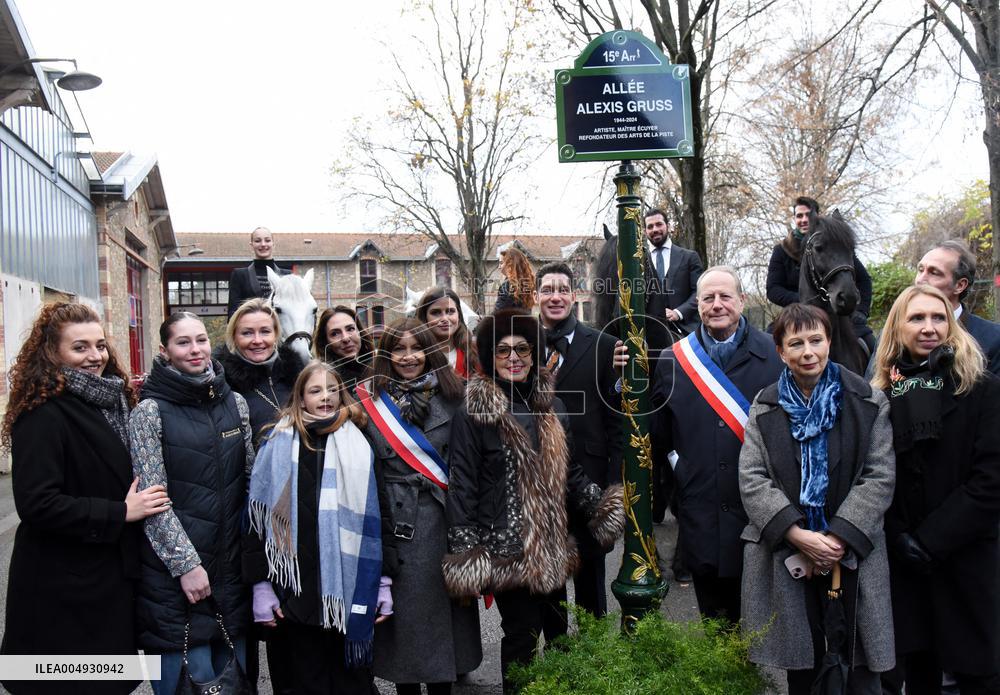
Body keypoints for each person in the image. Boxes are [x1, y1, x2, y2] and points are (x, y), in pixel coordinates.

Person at [442, 308, 625, 693]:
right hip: (506, 549)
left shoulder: (553, 407)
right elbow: (462, 486)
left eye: (522, 349)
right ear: (490, 356)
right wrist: (466, 554)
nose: (514, 358)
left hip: (552, 544)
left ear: (534, 354)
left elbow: (570, 472)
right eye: (503, 350)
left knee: (559, 630)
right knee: (522, 635)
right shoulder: (473, 413)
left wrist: (602, 507)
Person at [0, 303, 169, 695]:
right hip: (61, 586)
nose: (95, 356)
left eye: (100, 345)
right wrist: (120, 512)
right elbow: (37, 503)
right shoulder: (43, 412)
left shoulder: (114, 401)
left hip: (107, 578)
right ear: (52, 353)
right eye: (80, 347)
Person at [739, 303, 896, 694]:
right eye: (796, 343)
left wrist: (837, 538)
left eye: (816, 340)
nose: (808, 352)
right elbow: (752, 478)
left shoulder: (867, 400)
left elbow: (879, 475)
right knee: (804, 672)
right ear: (781, 352)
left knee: (861, 672)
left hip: (853, 551)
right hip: (790, 554)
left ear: (829, 342)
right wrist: (798, 535)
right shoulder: (765, 405)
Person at [628, 266, 782, 623]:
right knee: (714, 623)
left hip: (758, 510)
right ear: (697, 305)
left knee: (761, 626)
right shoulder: (673, 359)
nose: (717, 305)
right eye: (708, 298)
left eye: (725, 296)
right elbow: (657, 432)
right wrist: (624, 380)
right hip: (700, 509)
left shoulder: (774, 354)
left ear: (742, 300)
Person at [870, 285, 1000, 694]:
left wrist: (930, 540)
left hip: (966, 556)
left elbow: (991, 480)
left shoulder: (983, 390)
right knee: (918, 676)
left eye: (938, 317)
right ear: (897, 328)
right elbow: (875, 476)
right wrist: (898, 537)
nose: (929, 327)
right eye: (917, 318)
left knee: (979, 676)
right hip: (906, 563)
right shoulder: (881, 398)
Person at [129, 313, 254, 695]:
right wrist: (186, 566)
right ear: (164, 351)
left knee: (234, 683)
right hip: (176, 580)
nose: (195, 349)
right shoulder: (149, 412)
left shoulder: (235, 403)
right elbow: (152, 500)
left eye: (200, 339)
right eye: (183, 342)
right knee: (186, 683)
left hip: (230, 572)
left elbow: (250, 481)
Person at [246, 361, 388, 695]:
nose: (325, 397)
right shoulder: (275, 442)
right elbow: (255, 523)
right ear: (300, 397)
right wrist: (260, 585)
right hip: (295, 591)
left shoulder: (360, 443)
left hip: (349, 585)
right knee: (307, 682)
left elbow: (380, 515)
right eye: (315, 390)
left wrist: (383, 581)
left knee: (353, 684)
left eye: (332, 389)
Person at [356, 318, 481, 694]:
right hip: (398, 524)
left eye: (417, 348)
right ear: (386, 354)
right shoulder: (368, 402)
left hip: (446, 521)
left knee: (443, 631)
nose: (409, 357)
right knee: (406, 630)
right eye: (399, 349)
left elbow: (471, 464)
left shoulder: (456, 396)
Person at [215, 297, 304, 695]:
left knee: (290, 622)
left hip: (295, 509)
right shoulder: (223, 383)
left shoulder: (294, 377)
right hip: (244, 511)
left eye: (265, 331)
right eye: (247, 333)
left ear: (277, 334)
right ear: (233, 337)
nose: (257, 340)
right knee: (247, 623)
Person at [535, 262, 622, 618]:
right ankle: (558, 649)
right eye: (547, 290)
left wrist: (613, 488)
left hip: (589, 481)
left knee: (591, 586)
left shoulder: (605, 346)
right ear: (536, 296)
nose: (555, 297)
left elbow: (617, 422)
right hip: (538, 483)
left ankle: (595, 648)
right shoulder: (521, 347)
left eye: (562, 290)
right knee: (548, 584)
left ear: (574, 295)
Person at [765, 196, 874, 352]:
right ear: (794, 219)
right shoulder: (781, 250)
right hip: (796, 314)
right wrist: (804, 302)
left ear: (817, 216)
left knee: (871, 345)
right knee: (767, 346)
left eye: (808, 215)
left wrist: (862, 311)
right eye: (799, 216)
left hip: (838, 314)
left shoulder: (836, 244)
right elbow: (773, 289)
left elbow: (864, 280)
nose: (804, 220)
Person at [915, 239, 1000, 375]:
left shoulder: (993, 338)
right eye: (920, 270)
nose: (920, 280)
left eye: (934, 272)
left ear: (960, 285)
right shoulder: (893, 333)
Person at [642, 207, 703, 354]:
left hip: (686, 332)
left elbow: (699, 292)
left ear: (668, 226)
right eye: (650, 226)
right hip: (649, 337)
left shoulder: (689, 257)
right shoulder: (640, 262)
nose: (655, 229)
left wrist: (677, 313)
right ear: (645, 231)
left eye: (659, 224)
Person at [227, 226, 290, 318]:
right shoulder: (239, 275)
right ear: (251, 245)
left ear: (273, 244)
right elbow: (233, 313)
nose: (263, 244)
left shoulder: (287, 275)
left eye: (267, 240)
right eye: (257, 241)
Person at [416, 287, 475, 379]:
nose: (444, 319)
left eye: (450, 311)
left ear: (459, 315)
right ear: (424, 317)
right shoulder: (414, 355)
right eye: (436, 312)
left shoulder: (475, 351)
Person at [314, 305, 374, 392]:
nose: (345, 338)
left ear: (360, 332)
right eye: (335, 334)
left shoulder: (382, 368)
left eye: (350, 329)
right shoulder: (321, 380)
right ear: (326, 342)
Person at [495, 247, 535, 312]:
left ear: (510, 264)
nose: (499, 267)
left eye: (501, 263)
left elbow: (498, 312)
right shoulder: (526, 283)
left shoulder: (507, 285)